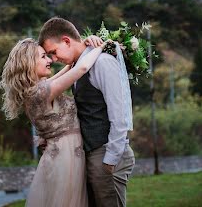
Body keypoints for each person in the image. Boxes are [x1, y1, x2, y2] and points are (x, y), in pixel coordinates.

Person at [0, 35, 105, 207]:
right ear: (28, 63)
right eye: (43, 56)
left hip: (63, 155)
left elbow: (71, 67)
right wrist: (103, 46)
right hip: (65, 159)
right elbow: (82, 68)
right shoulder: (41, 93)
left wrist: (83, 46)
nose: (49, 60)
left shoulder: (36, 90)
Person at [39, 17, 135, 207]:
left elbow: (121, 115)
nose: (54, 59)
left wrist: (110, 161)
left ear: (66, 41)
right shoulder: (78, 66)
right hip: (92, 155)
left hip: (106, 154)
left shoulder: (102, 63)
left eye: (54, 52)